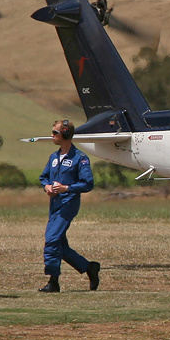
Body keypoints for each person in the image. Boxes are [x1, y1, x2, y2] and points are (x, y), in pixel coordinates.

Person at [38, 120, 101, 293]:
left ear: (65, 134)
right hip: (54, 204)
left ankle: (53, 281)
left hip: (69, 204)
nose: (52, 136)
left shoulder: (80, 158)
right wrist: (47, 187)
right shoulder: (53, 157)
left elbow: (87, 183)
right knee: (60, 245)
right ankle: (89, 268)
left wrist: (67, 188)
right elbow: (43, 177)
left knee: (51, 240)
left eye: (55, 132)